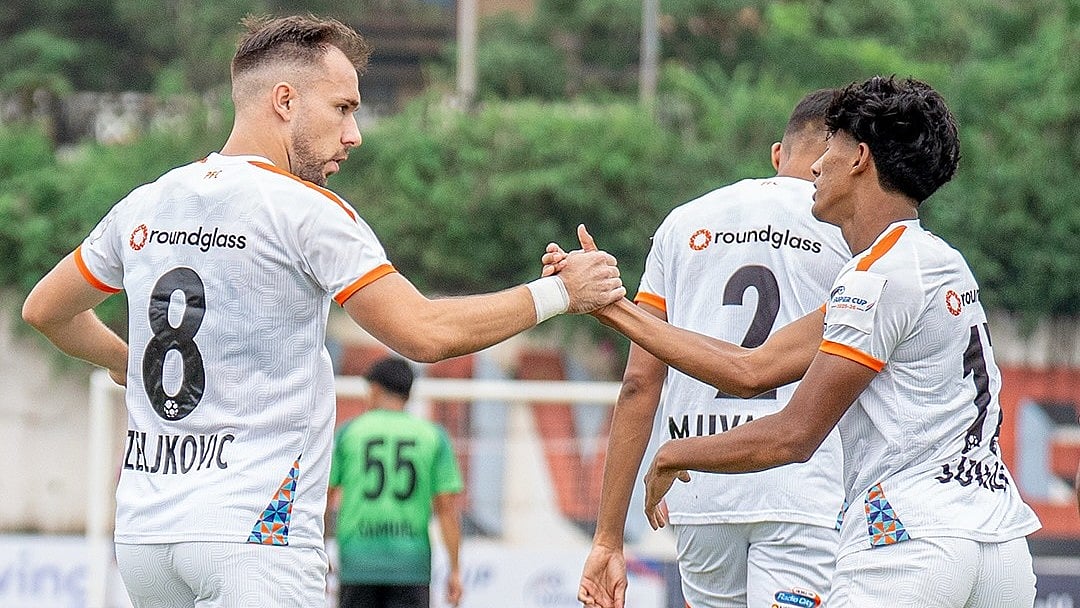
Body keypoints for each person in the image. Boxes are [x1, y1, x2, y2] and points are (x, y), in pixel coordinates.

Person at [20, 15, 624, 608]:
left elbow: (46, 310)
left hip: (147, 534)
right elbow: (423, 332)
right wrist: (561, 295)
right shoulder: (308, 211)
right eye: (343, 107)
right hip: (256, 536)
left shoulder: (148, 202)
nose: (354, 132)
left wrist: (127, 361)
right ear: (285, 100)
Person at [553, 76, 1042, 607]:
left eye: (829, 146)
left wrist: (678, 453)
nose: (814, 165)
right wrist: (614, 309)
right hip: (997, 544)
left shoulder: (874, 279)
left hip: (909, 542)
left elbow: (794, 435)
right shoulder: (938, 261)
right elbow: (753, 368)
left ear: (858, 157)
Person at [577, 89, 850, 608]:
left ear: (777, 154)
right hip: (806, 489)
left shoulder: (683, 222)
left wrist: (608, 537)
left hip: (702, 488)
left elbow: (639, 384)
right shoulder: (850, 229)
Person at [327, 356, 463, 608]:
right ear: (408, 395)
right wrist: (455, 569)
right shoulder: (433, 436)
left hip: (358, 560)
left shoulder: (349, 433)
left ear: (375, 389)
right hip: (410, 563)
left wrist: (322, 551)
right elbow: (446, 509)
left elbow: (325, 496)